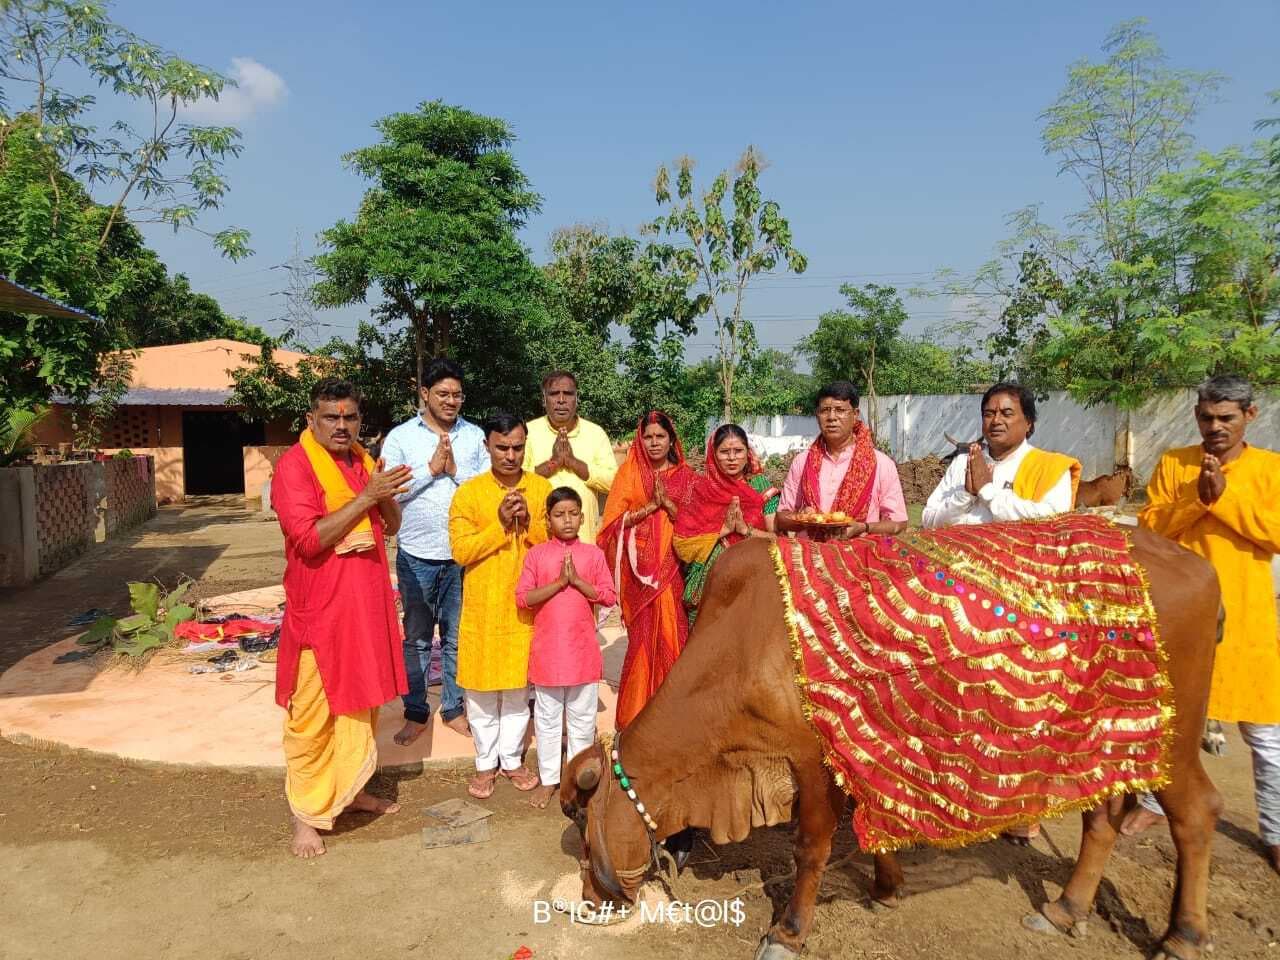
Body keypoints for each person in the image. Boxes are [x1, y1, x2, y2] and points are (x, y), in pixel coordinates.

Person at [1121, 376, 1280, 874]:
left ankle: (1274, 830)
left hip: (1246, 611)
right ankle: (1152, 804)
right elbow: (1150, 528)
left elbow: (1275, 533)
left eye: (1226, 418)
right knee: (1164, 717)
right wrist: (1199, 498)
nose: (1215, 427)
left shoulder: (1271, 469)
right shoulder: (1175, 463)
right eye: (1207, 417)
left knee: (1265, 734)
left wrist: (1224, 499)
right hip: (1178, 615)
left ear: (1249, 417)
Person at [271, 379, 411, 858]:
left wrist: (382, 492)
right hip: (321, 614)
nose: (342, 426)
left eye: (350, 417)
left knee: (360, 707)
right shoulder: (294, 468)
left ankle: (350, 793)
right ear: (311, 420)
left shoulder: (362, 462)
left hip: (364, 608)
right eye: (332, 417)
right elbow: (310, 539)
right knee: (311, 716)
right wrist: (368, 497)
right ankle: (305, 817)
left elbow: (392, 526)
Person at [381, 358, 489, 745]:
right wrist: (430, 468)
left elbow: (487, 490)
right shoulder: (400, 438)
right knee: (417, 638)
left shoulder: (476, 436)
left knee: (457, 637)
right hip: (416, 554)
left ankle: (454, 709)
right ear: (424, 394)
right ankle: (415, 711)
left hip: (463, 555)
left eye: (457, 394)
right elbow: (389, 491)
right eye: (442, 393)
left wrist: (455, 469)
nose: (451, 400)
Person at [450, 412, 551, 799]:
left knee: (515, 691)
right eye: (502, 447)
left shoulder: (541, 490)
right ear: (486, 446)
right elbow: (460, 552)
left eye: (518, 447)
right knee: (478, 694)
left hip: (524, 609)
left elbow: (553, 548)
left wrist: (528, 526)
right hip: (483, 607)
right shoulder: (469, 493)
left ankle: (510, 760)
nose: (511, 455)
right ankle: (484, 763)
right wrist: (498, 524)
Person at [516, 487, 617, 808]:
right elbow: (523, 598)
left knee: (582, 720)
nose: (567, 520)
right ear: (547, 520)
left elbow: (609, 596)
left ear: (583, 517)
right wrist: (559, 583)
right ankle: (549, 780)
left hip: (582, 654)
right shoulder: (537, 555)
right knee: (546, 720)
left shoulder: (593, 554)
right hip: (548, 654)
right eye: (559, 515)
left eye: (573, 513)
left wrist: (577, 582)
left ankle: (577, 780)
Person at [599, 411, 697, 729]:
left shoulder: (687, 477)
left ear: (671, 439)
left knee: (673, 636)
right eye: (648, 436)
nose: (654, 442)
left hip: (674, 571)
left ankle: (674, 716)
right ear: (640, 439)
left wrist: (669, 505)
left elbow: (699, 523)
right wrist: (650, 508)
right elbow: (611, 524)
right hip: (638, 574)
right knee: (641, 640)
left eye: (660, 436)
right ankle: (636, 717)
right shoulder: (629, 473)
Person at [922, 382, 1082, 528]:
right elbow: (928, 520)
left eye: (1007, 413)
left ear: (1028, 423)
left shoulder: (1050, 467)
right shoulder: (963, 461)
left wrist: (987, 491)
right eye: (989, 414)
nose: (996, 420)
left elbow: (1054, 523)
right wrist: (965, 495)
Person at [674, 423, 779, 625]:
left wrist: (744, 530)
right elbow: (683, 544)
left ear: (747, 453)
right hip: (709, 582)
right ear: (714, 454)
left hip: (753, 578)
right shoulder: (700, 489)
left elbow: (777, 538)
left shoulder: (761, 487)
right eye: (724, 452)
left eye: (738, 451)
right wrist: (724, 530)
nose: (732, 458)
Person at [776, 381, 908, 538]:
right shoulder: (802, 461)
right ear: (817, 415)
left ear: (855, 415)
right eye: (825, 410)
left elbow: (898, 523)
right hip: (810, 555)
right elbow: (781, 518)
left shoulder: (881, 463)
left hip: (858, 556)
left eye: (840, 410)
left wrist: (863, 527)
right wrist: (803, 518)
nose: (832, 417)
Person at [523, 371, 618, 543]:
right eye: (554, 394)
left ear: (577, 398)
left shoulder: (595, 433)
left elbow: (614, 481)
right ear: (544, 400)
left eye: (567, 394)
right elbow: (516, 483)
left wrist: (574, 463)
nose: (561, 400)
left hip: (584, 540)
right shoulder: (528, 433)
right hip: (539, 543)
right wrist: (554, 463)